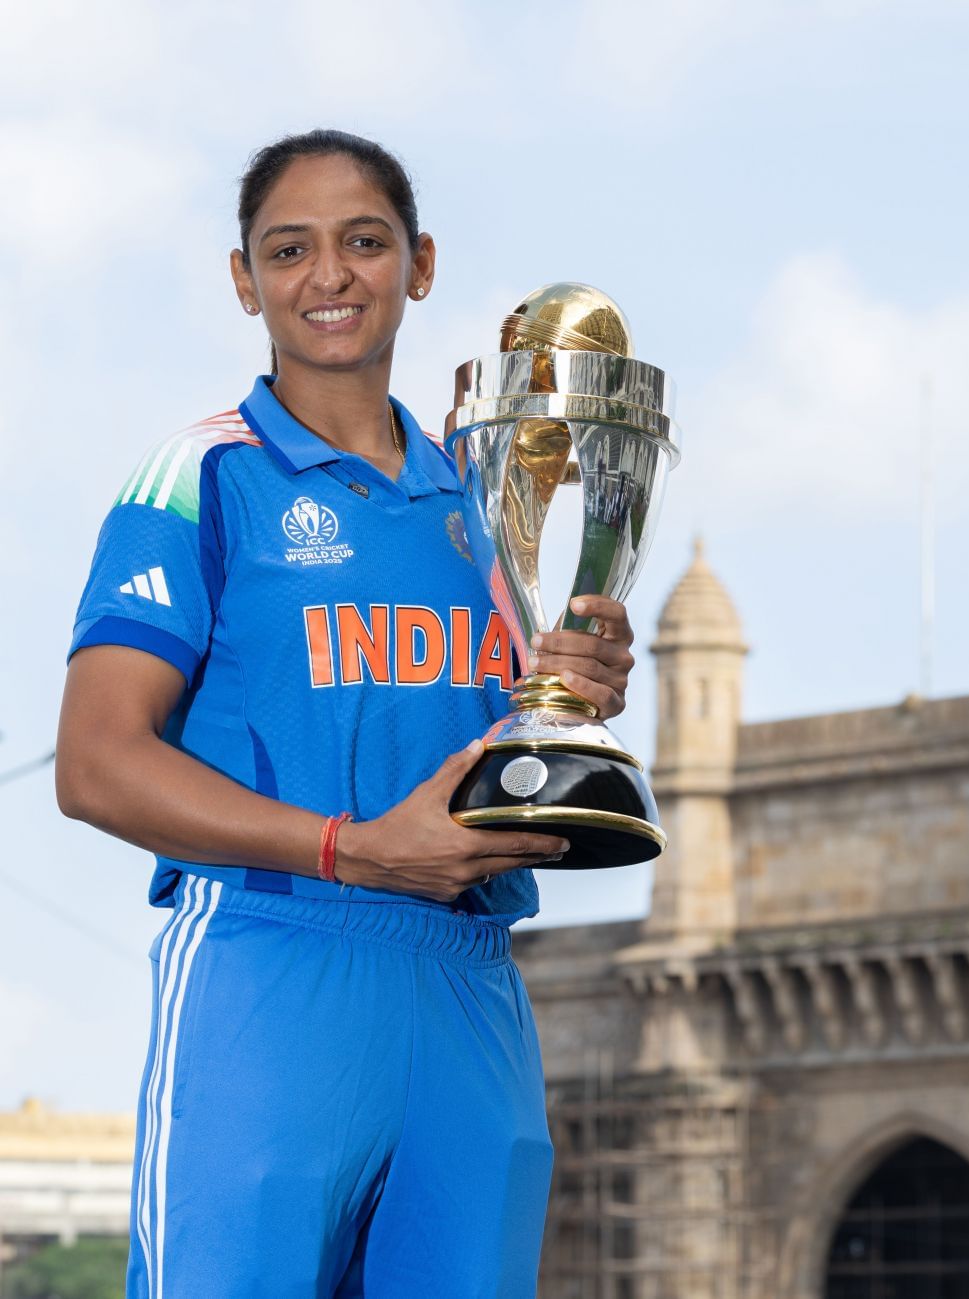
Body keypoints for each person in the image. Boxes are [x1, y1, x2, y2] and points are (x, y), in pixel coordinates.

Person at [55, 129, 635, 1298]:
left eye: (364, 242)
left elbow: (508, 736)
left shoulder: (490, 493)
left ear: (421, 264)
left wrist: (576, 682)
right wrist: (351, 849)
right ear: (245, 280)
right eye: (290, 249)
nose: (329, 275)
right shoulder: (201, 477)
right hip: (273, 968)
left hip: (471, 982)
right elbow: (96, 763)